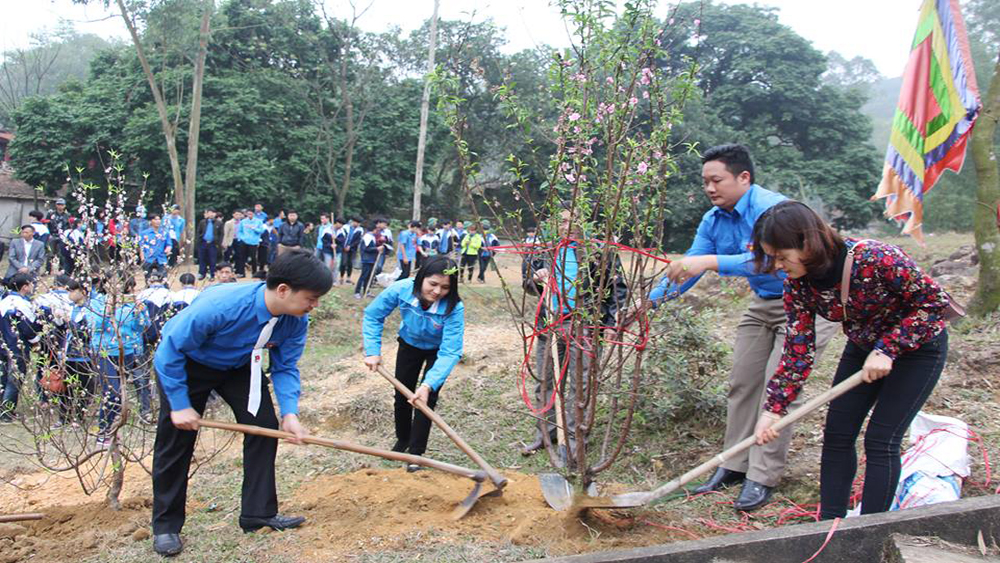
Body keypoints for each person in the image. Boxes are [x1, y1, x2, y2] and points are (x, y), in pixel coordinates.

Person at [647, 144, 838, 511]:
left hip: (806, 305)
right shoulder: (714, 219)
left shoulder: (773, 210)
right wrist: (650, 302)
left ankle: (762, 476)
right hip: (764, 304)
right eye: (704, 182)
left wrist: (710, 261)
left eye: (716, 180)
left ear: (743, 177)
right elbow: (691, 268)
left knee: (778, 386)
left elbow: (766, 261)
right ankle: (733, 464)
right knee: (742, 383)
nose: (710, 188)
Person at [751, 201, 951, 520]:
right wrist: (773, 410)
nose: (777, 266)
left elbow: (933, 304)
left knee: (881, 439)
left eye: (781, 257)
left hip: (918, 349)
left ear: (807, 243)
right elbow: (798, 348)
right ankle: (830, 526)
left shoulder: (876, 258)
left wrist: (889, 348)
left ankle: (871, 529)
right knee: (837, 434)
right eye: (771, 258)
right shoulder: (797, 285)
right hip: (863, 349)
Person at [150, 249, 332, 556]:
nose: (314, 306)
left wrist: (290, 413)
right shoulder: (222, 307)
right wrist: (180, 404)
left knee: (263, 427)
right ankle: (166, 526)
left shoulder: (295, 320)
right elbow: (169, 351)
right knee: (176, 440)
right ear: (284, 290)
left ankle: (257, 514)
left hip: (241, 365)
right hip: (189, 364)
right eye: (311, 298)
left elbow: (285, 366)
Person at [520, 207, 628, 466]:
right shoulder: (544, 250)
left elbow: (617, 286)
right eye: (563, 221)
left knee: (579, 385)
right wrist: (536, 278)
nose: (568, 226)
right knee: (545, 381)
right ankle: (545, 435)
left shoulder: (599, 250)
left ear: (585, 222)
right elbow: (526, 284)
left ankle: (573, 440)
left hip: (586, 326)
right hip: (550, 324)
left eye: (574, 220)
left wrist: (613, 322)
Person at [362, 255, 465, 469]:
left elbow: (451, 351)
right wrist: (373, 351)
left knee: (424, 400)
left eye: (445, 287)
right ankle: (403, 439)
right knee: (402, 394)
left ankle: (416, 454)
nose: (437, 292)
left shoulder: (454, 308)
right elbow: (373, 315)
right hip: (409, 344)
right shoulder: (401, 289)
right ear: (421, 278)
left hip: (437, 352)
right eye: (433, 284)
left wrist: (428, 385)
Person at [87, 274, 152, 439]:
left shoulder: (129, 303)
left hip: (128, 351)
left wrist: (139, 313)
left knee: (136, 385)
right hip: (105, 352)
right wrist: (107, 311)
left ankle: (140, 415)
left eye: (120, 282)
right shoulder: (97, 302)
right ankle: (104, 431)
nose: (116, 285)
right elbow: (94, 326)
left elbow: (142, 327)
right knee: (112, 393)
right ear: (105, 283)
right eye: (112, 281)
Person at [0, 273, 41, 421]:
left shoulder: (4, 301)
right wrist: (36, 341)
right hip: (18, 345)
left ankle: (2, 408)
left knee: (3, 377)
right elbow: (28, 328)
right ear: (25, 287)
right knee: (15, 379)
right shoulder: (22, 304)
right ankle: (7, 412)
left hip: (3, 344)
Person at [139, 214, 173, 280]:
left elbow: (169, 244)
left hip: (161, 258)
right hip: (148, 258)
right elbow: (141, 247)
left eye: (159, 219)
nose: (158, 221)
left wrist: (168, 249)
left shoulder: (164, 233)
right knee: (148, 279)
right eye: (155, 219)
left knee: (163, 279)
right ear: (150, 221)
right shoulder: (144, 233)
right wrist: (142, 258)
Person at [236, 210, 266, 278]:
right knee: (242, 257)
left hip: (253, 242)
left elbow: (261, 231)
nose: (250, 215)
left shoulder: (258, 221)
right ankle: (242, 273)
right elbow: (239, 231)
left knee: (253, 258)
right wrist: (242, 238)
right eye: (248, 214)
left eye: (251, 214)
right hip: (244, 241)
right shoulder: (243, 221)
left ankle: (254, 272)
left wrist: (254, 228)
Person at [354, 222, 379, 299]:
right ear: (374, 229)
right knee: (364, 275)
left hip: (371, 259)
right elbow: (366, 249)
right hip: (366, 259)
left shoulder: (372, 237)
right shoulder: (367, 237)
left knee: (369, 276)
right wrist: (377, 249)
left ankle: (366, 290)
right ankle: (357, 292)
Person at [197, 209, 223, 281]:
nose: (211, 214)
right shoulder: (202, 222)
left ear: (215, 214)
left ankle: (212, 274)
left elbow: (221, 234)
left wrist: (219, 243)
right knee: (202, 259)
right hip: (203, 242)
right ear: (207, 214)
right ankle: (202, 273)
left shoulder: (219, 223)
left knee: (212, 259)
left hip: (213, 243)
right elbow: (199, 232)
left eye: (213, 213)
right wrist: (199, 241)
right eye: (209, 213)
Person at [47, 198, 72, 274]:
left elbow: (69, 226)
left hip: (63, 236)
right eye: (58, 204)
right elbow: (47, 223)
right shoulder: (51, 214)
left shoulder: (68, 215)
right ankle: (48, 270)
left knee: (62, 254)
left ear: (64, 206)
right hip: (53, 235)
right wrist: (49, 234)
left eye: (61, 205)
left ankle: (61, 269)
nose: (60, 206)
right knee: (50, 253)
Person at [340, 217, 362, 284]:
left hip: (352, 249)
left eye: (358, 223)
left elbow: (357, 240)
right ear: (353, 222)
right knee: (343, 263)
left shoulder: (360, 230)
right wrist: (344, 246)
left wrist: (350, 246)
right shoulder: (345, 228)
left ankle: (348, 278)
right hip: (343, 247)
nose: (357, 224)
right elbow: (342, 237)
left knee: (350, 263)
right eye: (356, 222)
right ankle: (341, 277)